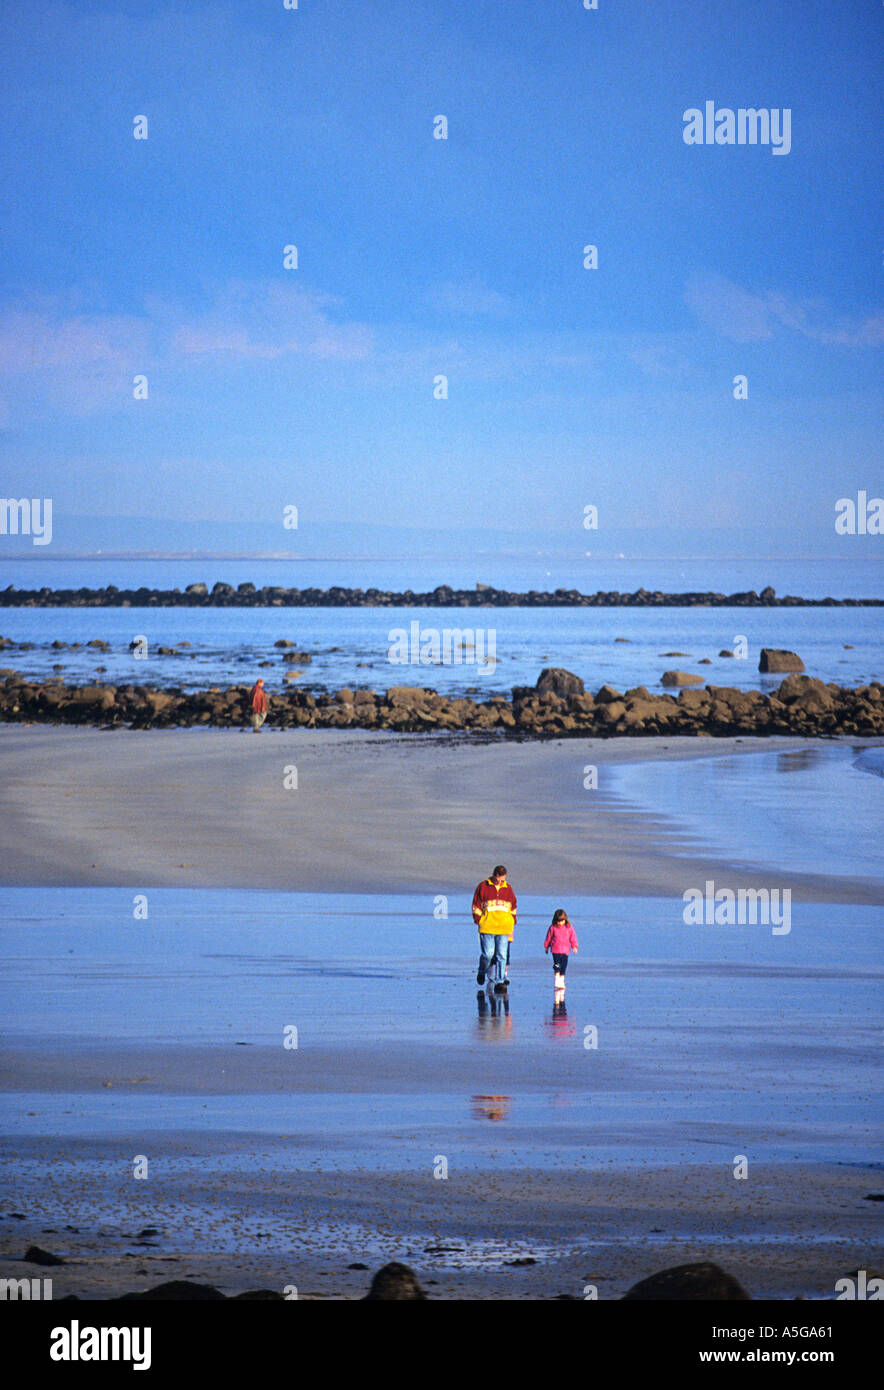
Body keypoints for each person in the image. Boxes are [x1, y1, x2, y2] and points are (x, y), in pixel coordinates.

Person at [472, 865, 516, 992]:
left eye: (503, 880)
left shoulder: (508, 889)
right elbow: (476, 904)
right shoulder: (483, 886)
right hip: (487, 927)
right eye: (499, 879)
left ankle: (500, 981)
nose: (501, 882)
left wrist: (512, 920)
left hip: (503, 927)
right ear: (494, 875)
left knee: (502, 955)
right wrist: (478, 920)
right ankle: (482, 971)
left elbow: (513, 906)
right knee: (488, 954)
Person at [544, 908, 578, 992]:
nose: (560, 923)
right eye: (558, 921)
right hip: (555, 949)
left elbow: (572, 937)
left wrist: (574, 946)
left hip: (565, 950)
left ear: (565, 920)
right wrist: (546, 946)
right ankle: (556, 977)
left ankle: (562, 979)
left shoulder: (568, 928)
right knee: (556, 964)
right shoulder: (552, 928)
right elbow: (548, 937)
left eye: (561, 921)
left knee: (564, 964)